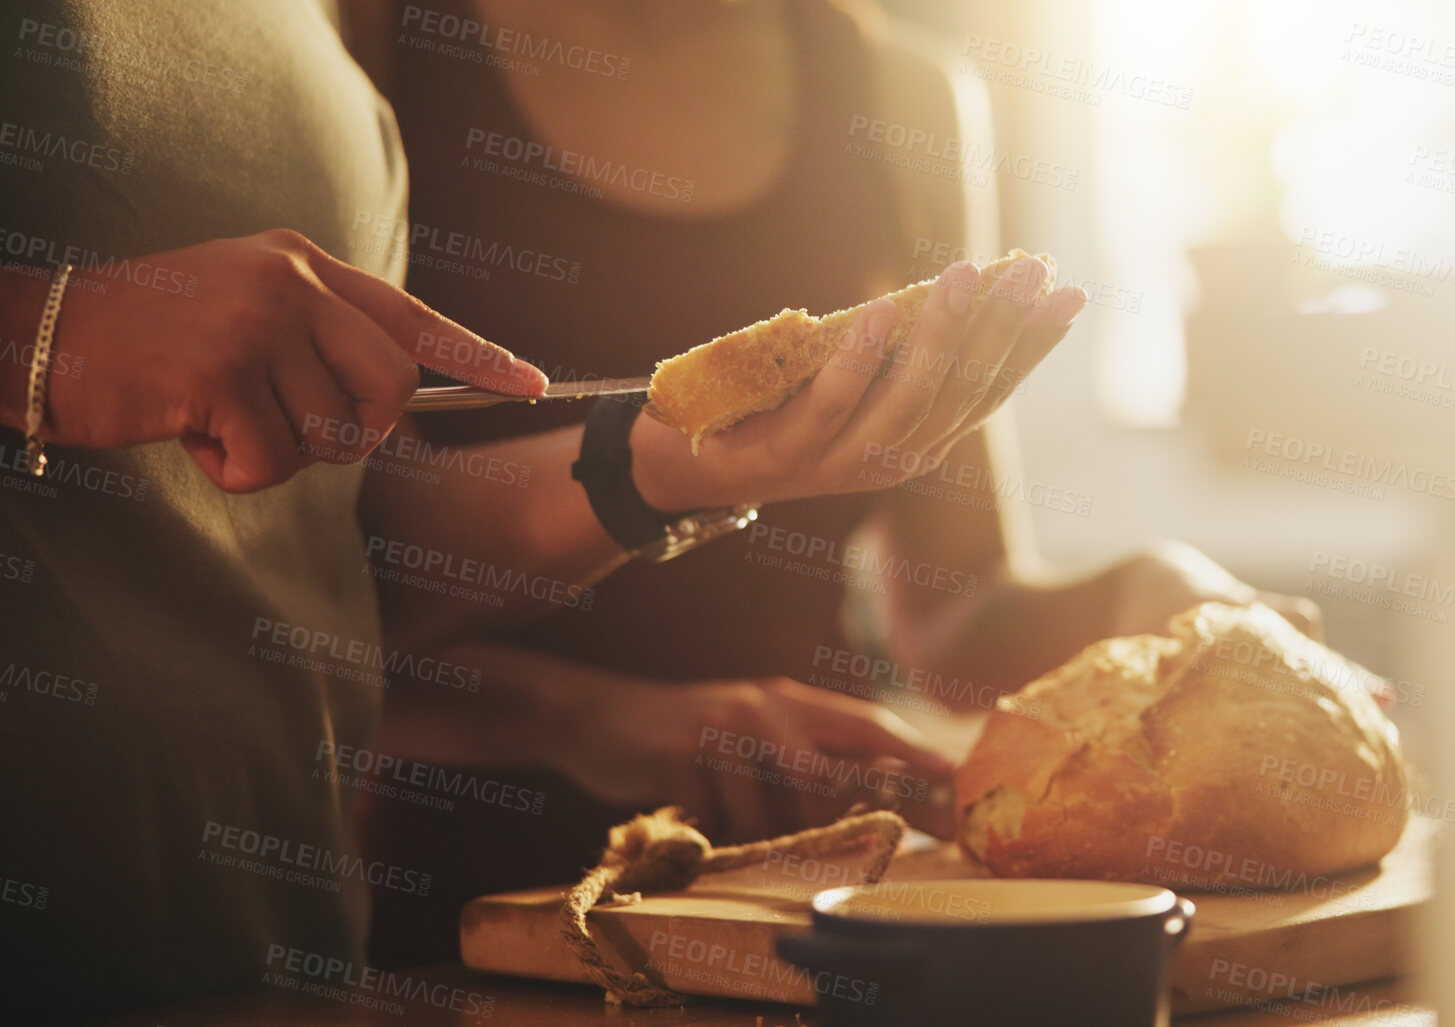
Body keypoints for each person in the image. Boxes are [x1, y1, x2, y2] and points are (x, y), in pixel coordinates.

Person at [0, 0, 1076, 1016]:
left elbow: (325, 552)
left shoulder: (304, 30)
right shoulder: (379, 29)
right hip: (433, 910)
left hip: (275, 936)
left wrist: (671, 466)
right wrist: (44, 332)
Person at [344, 0, 1328, 965]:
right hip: (474, 908)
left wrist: (1142, 592)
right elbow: (310, 596)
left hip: (831, 903)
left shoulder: (903, 97)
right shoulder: (368, 44)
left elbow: (956, 607)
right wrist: (596, 719)